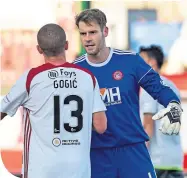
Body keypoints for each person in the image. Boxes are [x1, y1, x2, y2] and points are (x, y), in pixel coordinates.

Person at [74, 8, 183, 178]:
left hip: (133, 151)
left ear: (105, 31)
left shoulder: (129, 60)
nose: (87, 38)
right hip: (96, 155)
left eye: (93, 32)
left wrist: (173, 105)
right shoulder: (75, 70)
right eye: (83, 33)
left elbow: (159, 86)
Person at [0, 23, 107, 178]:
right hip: (78, 170)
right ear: (67, 45)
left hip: (41, 170)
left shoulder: (31, 78)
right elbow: (101, 126)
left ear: (39, 49)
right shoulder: (87, 77)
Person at [139, 45, 184, 178]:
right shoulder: (172, 86)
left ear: (151, 63)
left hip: (156, 161)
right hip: (175, 160)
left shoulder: (150, 86)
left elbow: (148, 127)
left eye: (141, 60)